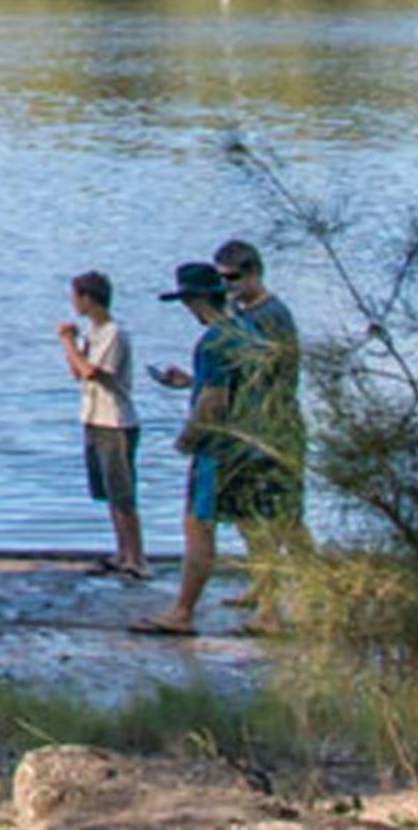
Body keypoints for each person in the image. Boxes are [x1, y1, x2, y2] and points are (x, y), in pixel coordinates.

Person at [132, 262, 247, 637]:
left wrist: (188, 438)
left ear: (197, 300)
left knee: (198, 526)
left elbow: (213, 401)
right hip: (248, 441)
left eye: (186, 302)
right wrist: (191, 382)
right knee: (255, 523)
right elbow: (233, 386)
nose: (187, 311)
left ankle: (182, 612)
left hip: (217, 447)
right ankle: (271, 609)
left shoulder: (212, 341)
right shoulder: (242, 331)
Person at [214, 238, 311, 620]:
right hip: (245, 429)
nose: (227, 287)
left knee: (284, 519)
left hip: (275, 428)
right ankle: (260, 584)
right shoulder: (240, 313)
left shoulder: (272, 315)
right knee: (247, 516)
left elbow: (270, 373)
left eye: (233, 278)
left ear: (254, 273)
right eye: (220, 279)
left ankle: (302, 594)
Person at [56, 270, 148, 580]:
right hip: (94, 417)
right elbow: (76, 371)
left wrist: (68, 341)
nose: (73, 304)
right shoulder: (93, 334)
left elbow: (92, 372)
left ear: (88, 299)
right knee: (108, 492)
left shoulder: (113, 333)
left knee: (123, 493)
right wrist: (73, 345)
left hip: (115, 421)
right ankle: (122, 552)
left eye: (76, 297)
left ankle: (137, 557)